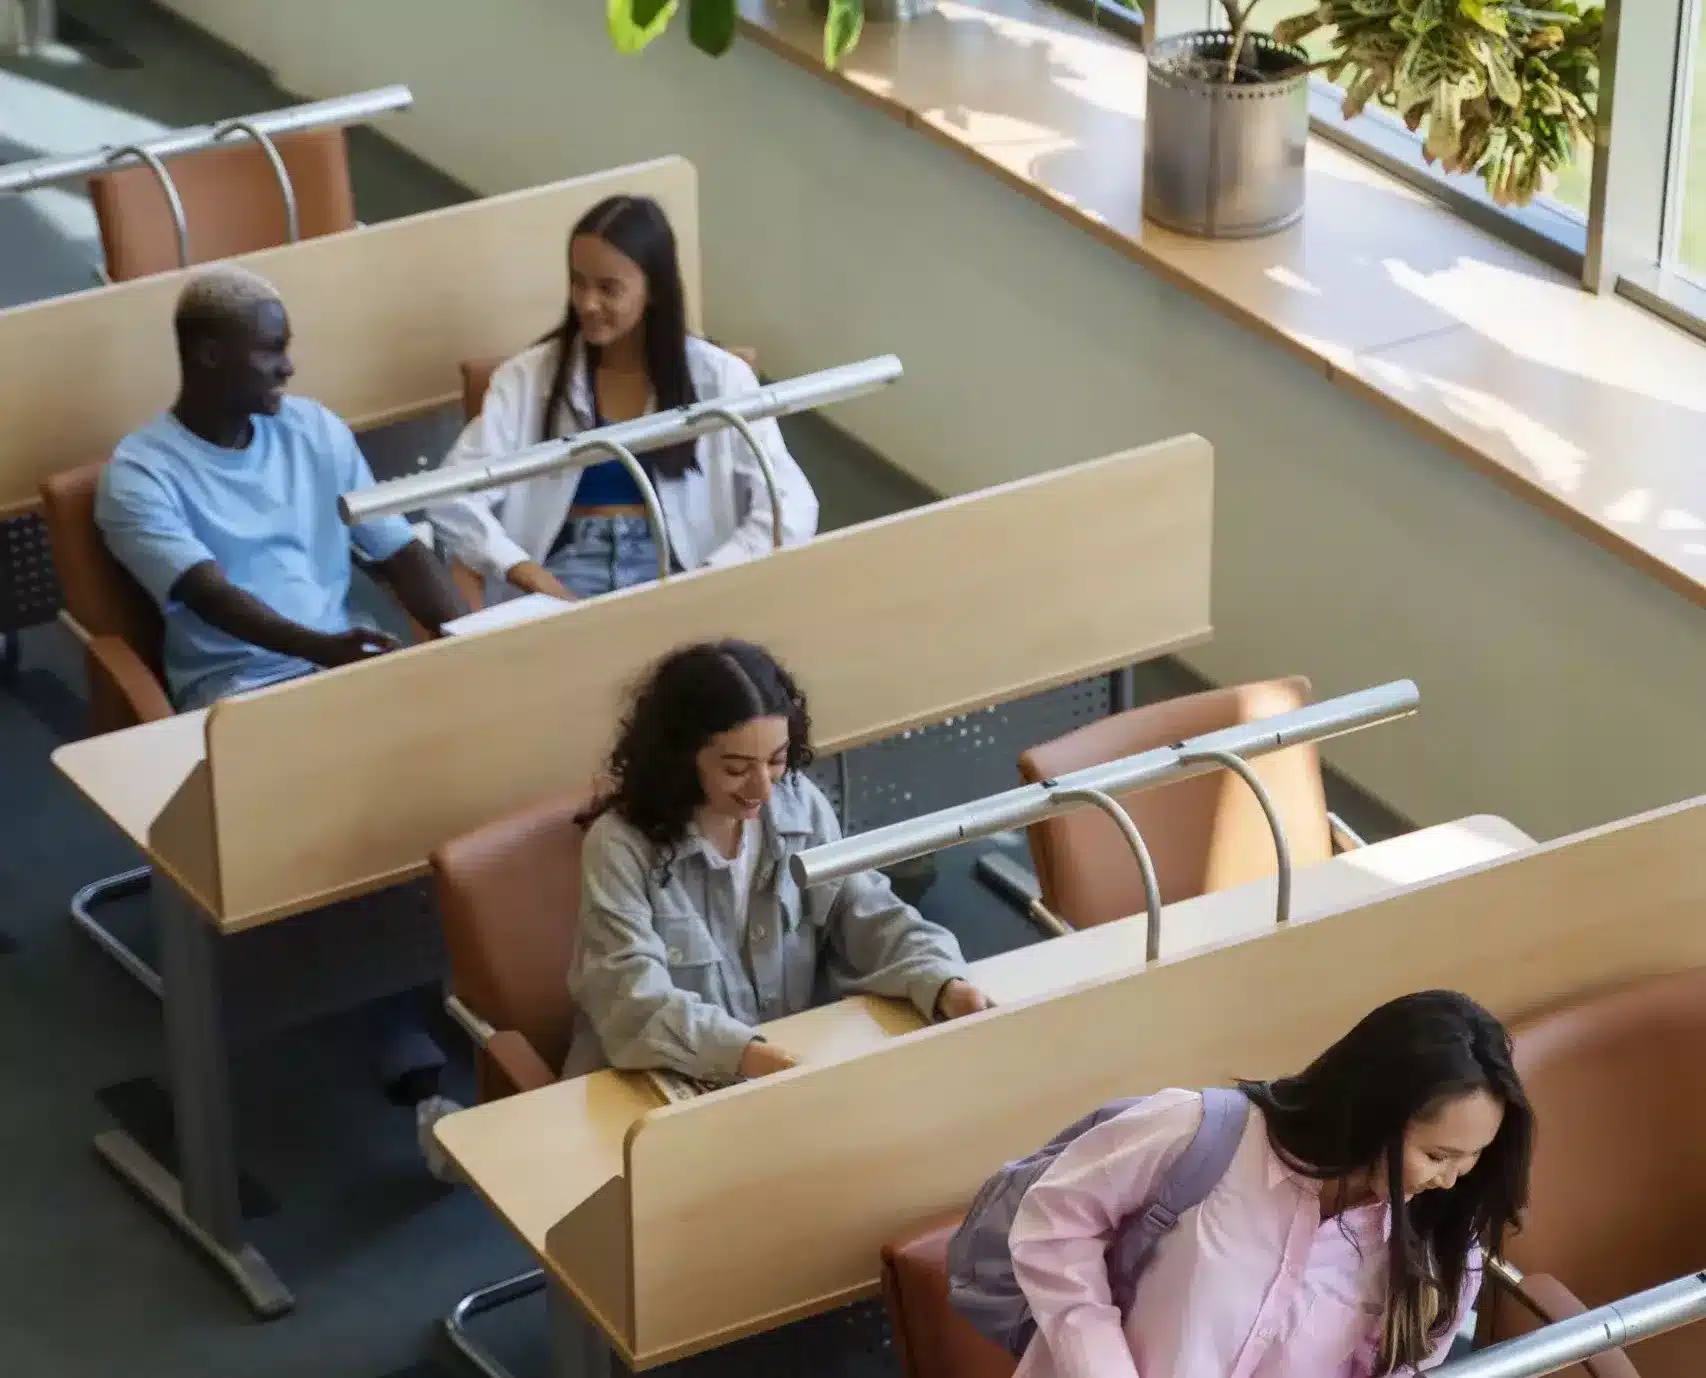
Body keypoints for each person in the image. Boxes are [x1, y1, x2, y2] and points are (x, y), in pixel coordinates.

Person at [95, 265, 469, 1176]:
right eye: (271, 350)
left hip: (344, 662)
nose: (289, 369)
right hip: (242, 693)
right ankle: (397, 1029)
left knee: (478, 758)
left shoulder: (313, 432)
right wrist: (326, 650)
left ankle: (468, 972)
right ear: (210, 354)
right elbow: (208, 596)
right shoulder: (139, 474)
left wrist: (470, 637)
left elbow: (397, 550)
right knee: (358, 801)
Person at [1008, 990, 1534, 1378]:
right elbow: (1054, 1227)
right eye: (1437, 1155)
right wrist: (1098, 1364)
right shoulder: (1203, 1134)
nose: (1450, 1181)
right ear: (1374, 1111)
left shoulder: (1442, 1250)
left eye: (1472, 1159)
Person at [565, 640, 991, 1082]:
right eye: (736, 769)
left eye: (777, 761)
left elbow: (864, 911)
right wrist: (746, 1055)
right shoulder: (618, 845)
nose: (763, 790)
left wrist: (942, 981)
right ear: (680, 760)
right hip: (656, 1082)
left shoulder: (799, 804)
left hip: (778, 1067)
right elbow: (631, 1001)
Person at [428, 195, 818, 604]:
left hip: (677, 571)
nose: (587, 303)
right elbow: (448, 494)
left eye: (608, 289)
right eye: (578, 282)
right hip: (564, 571)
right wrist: (524, 572)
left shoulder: (720, 378)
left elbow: (790, 505)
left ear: (654, 291)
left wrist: (712, 576)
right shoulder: (528, 377)